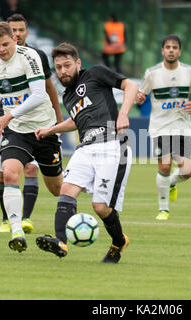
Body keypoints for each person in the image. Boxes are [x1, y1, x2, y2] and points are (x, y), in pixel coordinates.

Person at [34, 42, 138, 263]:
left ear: (78, 63)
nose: (63, 71)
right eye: (59, 67)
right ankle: (61, 243)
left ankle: (119, 242)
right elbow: (77, 120)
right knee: (66, 190)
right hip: (86, 148)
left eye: (67, 65)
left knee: (100, 207)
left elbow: (131, 87)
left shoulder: (96, 73)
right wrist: (52, 129)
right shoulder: (68, 96)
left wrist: (123, 114)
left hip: (112, 144)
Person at [0, 14, 63, 234]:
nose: (1, 49)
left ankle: (75, 180)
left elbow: (40, 94)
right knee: (9, 173)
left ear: (15, 39)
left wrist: (8, 116)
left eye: (5, 44)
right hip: (16, 130)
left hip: (42, 128)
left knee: (56, 189)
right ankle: (16, 230)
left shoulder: (30, 57)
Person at [136, 34, 191, 221]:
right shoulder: (152, 73)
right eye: (168, 47)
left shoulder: (189, 72)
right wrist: (140, 98)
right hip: (160, 127)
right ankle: (163, 209)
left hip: (182, 127)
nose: (171, 50)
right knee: (164, 165)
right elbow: (140, 94)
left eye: (175, 47)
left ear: (179, 51)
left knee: (187, 171)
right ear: (162, 51)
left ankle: (172, 183)